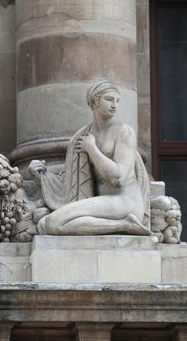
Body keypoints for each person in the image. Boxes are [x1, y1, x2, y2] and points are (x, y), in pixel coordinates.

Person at [31, 80, 150, 236]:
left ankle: (127, 222)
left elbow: (119, 178)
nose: (114, 105)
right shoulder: (83, 134)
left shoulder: (124, 132)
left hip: (125, 201)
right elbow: (71, 172)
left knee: (52, 222)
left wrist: (92, 148)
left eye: (117, 100)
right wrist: (43, 171)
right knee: (46, 224)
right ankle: (124, 225)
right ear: (94, 102)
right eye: (109, 99)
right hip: (104, 204)